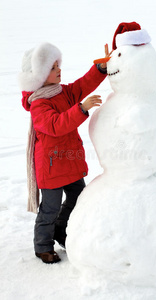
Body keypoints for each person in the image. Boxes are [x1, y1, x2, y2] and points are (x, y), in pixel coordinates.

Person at [19, 42, 110, 264]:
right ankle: (42, 246)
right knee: (49, 209)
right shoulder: (39, 104)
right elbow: (55, 125)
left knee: (79, 197)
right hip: (51, 168)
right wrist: (81, 109)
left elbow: (82, 85)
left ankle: (61, 230)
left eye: (58, 65)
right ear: (40, 76)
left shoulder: (63, 92)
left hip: (69, 164)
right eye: (52, 68)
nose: (59, 70)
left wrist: (100, 69)